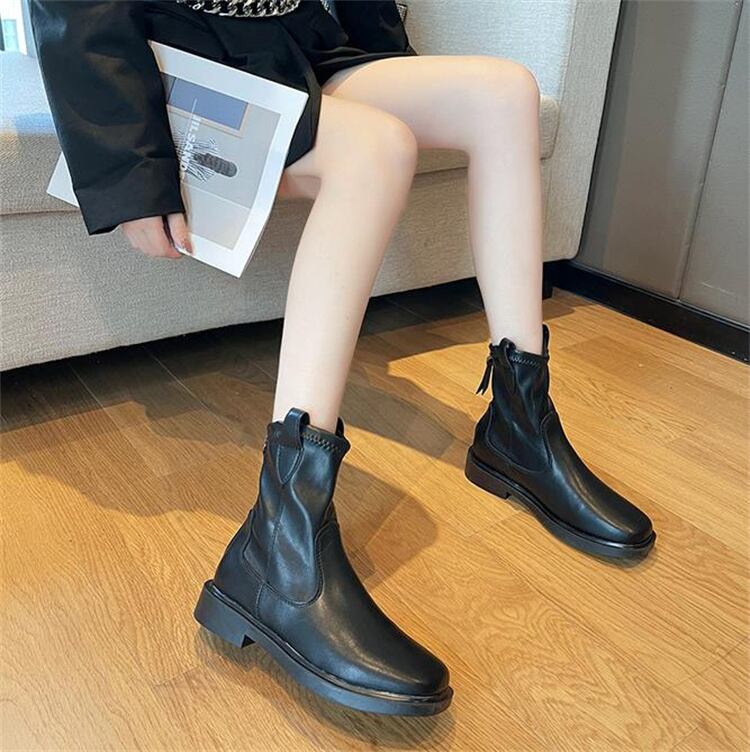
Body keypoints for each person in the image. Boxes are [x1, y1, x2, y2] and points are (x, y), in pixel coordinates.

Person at [29, 0, 656, 717]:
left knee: (505, 93)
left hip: (291, 46)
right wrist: (130, 169)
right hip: (171, 64)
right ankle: (280, 546)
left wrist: (385, 56)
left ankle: (522, 424)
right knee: (376, 150)